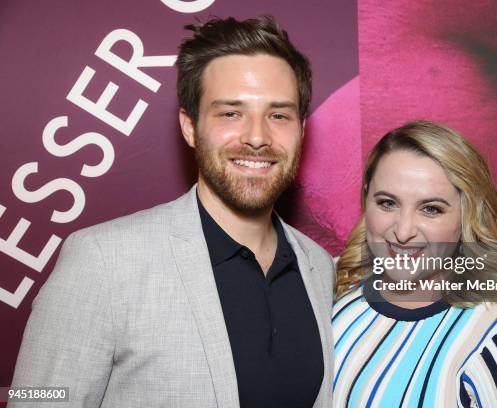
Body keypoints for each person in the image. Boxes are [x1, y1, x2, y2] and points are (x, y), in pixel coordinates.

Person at [10, 16, 335, 408]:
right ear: (190, 126)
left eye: (278, 115)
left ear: (301, 128)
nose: (256, 136)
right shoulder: (101, 261)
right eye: (231, 113)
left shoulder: (319, 267)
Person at [332, 121, 497, 407]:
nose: (403, 231)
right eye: (388, 203)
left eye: (431, 209)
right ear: (366, 197)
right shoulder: (340, 299)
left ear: (467, 216)